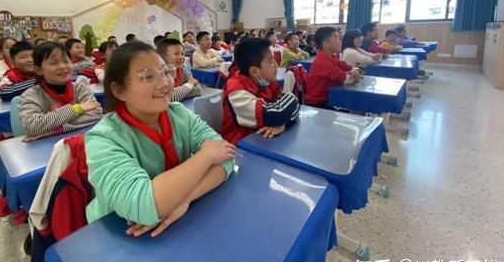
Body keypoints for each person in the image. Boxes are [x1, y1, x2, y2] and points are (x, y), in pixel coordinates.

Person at [84, 41, 235, 237]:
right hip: (120, 232)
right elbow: (144, 207)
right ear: (119, 90)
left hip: (178, 223)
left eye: (165, 72)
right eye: (148, 76)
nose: (165, 83)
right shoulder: (103, 139)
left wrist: (184, 199)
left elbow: (227, 156)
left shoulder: (178, 114)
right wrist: (205, 157)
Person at [18, 42, 103, 140]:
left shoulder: (80, 88)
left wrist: (55, 129)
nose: (62, 66)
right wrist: (77, 109)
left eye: (66, 61)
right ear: (38, 70)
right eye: (54, 63)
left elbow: (96, 114)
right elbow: (32, 127)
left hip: (83, 140)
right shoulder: (30, 96)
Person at [222, 38, 300, 144]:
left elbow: (289, 108)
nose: (276, 65)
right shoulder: (235, 89)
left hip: (264, 139)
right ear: (254, 71)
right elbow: (274, 114)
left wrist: (283, 123)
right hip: (238, 146)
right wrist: (291, 100)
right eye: (271, 61)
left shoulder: (267, 82)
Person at [305, 27, 360, 108]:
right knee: (353, 109)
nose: (340, 41)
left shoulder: (331, 57)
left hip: (328, 98)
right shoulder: (322, 62)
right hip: (317, 104)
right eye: (336, 38)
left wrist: (356, 70)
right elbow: (347, 80)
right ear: (326, 44)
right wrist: (355, 73)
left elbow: (347, 67)